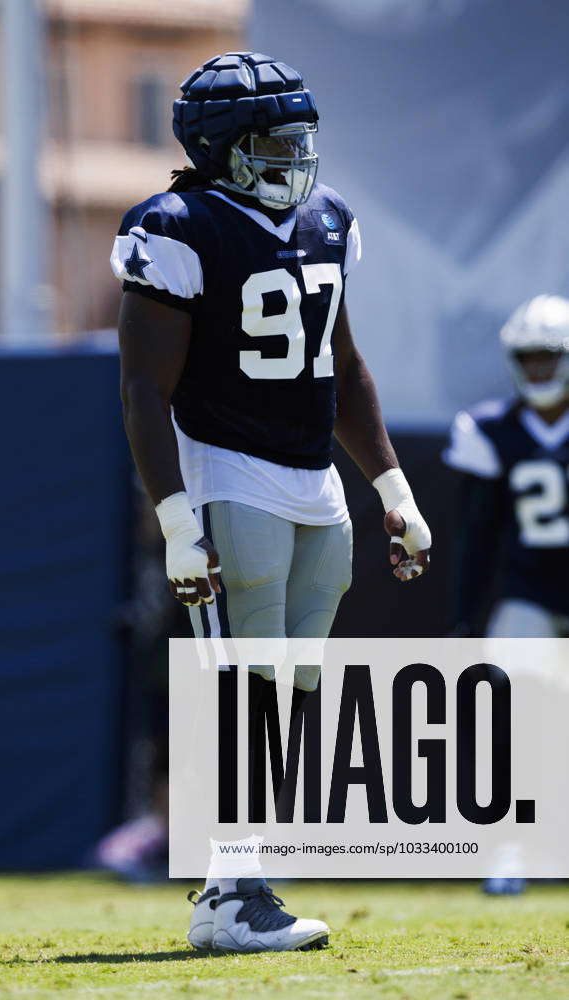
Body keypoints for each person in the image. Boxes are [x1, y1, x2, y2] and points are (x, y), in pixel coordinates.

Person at [112, 51, 431, 952]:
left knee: (286, 691)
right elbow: (142, 386)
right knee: (238, 684)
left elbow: (343, 359)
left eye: (301, 135)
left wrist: (391, 486)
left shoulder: (327, 219)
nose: (295, 154)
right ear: (220, 147)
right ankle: (231, 893)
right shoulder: (175, 225)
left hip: (311, 477)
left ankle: (240, 879)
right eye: (273, 138)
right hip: (224, 469)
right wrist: (176, 519)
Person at [443, 294, 569, 895]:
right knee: (504, 711)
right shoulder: (491, 428)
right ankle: (511, 844)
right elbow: (477, 533)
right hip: (530, 588)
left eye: (550, 359)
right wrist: (466, 618)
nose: (540, 371)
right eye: (531, 359)